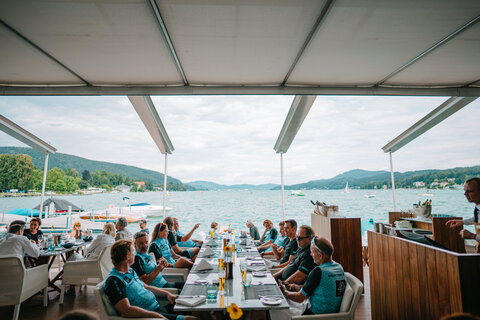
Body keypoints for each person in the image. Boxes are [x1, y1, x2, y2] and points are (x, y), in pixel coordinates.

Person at [103, 239, 196, 319]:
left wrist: (167, 294)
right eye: (132, 252)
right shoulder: (114, 281)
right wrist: (155, 316)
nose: (134, 254)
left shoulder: (130, 271)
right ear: (128, 256)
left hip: (159, 307)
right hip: (150, 315)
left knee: (196, 309)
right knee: (192, 318)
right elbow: (126, 311)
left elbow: (146, 287)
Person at [272, 237, 346, 318]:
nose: (311, 255)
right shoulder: (338, 267)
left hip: (316, 314)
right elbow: (321, 287)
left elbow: (299, 298)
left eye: (312, 252)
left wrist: (284, 292)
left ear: (320, 256)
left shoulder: (318, 271)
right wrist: (297, 287)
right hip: (332, 310)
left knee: (274, 309)